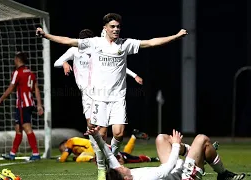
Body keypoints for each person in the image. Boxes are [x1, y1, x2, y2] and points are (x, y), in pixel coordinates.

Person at [36, 13, 188, 161]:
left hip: (117, 97)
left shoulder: (125, 44)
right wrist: (46, 35)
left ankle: (112, 158)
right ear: (105, 28)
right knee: (100, 134)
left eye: (118, 27)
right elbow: (68, 41)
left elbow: (151, 42)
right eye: (112, 26)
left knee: (119, 133)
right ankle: (102, 167)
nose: (116, 29)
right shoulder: (95, 43)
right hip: (98, 98)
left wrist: (176, 36)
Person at [54, 28, 144, 179]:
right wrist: (64, 62)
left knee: (109, 131)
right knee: (94, 129)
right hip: (86, 95)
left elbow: (118, 65)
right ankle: (102, 164)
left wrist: (134, 75)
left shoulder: (97, 50)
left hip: (100, 92)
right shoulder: (74, 50)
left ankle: (109, 160)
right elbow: (56, 62)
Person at [85, 127, 246, 180]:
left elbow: (109, 155)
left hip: (175, 169)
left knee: (161, 138)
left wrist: (96, 136)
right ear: (125, 178)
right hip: (184, 176)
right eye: (119, 169)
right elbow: (166, 169)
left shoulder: (122, 174)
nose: (119, 166)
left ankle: (194, 152)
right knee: (202, 139)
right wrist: (176, 146)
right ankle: (223, 174)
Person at [0, 52, 44, 161]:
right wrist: (39, 104)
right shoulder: (31, 73)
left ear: (18, 60)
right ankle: (12, 154)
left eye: (15, 59)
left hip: (23, 104)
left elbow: (11, 88)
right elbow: (36, 89)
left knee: (26, 127)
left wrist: (0, 99)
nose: (14, 61)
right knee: (18, 129)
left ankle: (36, 154)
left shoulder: (18, 72)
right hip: (29, 103)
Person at [57, 130, 155, 164]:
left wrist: (60, 158)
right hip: (95, 147)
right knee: (122, 155)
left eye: (62, 149)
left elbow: (63, 158)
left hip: (95, 148)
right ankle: (133, 137)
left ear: (64, 144)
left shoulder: (70, 141)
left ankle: (93, 159)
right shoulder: (76, 144)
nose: (63, 150)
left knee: (79, 159)